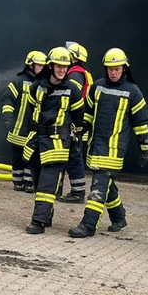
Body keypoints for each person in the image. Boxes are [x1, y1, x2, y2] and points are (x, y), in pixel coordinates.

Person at [69, 48, 148, 238]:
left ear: (124, 68)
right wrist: (82, 131)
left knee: (98, 187)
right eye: (110, 69)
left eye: (117, 68)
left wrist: (144, 148)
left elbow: (141, 122)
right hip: (96, 146)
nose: (114, 72)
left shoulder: (133, 92)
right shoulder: (97, 87)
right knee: (107, 185)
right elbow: (88, 112)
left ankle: (88, 225)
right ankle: (119, 217)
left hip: (114, 150)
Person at [24, 46, 85, 234]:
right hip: (37, 141)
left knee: (47, 183)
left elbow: (79, 117)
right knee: (36, 180)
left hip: (58, 142)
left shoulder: (73, 90)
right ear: (50, 66)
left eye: (65, 67)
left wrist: (77, 141)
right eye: (58, 66)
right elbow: (29, 112)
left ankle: (38, 221)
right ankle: (46, 214)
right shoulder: (37, 86)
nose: (61, 70)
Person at [2, 51, 46, 192]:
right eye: (39, 65)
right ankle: (17, 182)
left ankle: (30, 183)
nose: (42, 69)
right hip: (17, 128)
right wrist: (8, 117)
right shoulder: (18, 81)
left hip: (33, 130)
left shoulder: (44, 84)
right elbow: (7, 99)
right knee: (17, 159)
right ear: (30, 66)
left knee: (31, 158)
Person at [58, 40, 94, 203]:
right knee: (71, 156)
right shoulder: (80, 72)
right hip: (78, 122)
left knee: (72, 157)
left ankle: (78, 193)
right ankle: (75, 191)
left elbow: (71, 96)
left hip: (74, 123)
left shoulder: (75, 74)